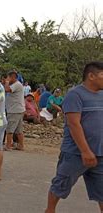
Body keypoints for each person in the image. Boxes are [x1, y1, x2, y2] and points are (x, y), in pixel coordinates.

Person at [45, 61, 103, 213]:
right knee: (61, 184)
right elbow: (73, 124)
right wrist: (85, 151)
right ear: (91, 76)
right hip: (76, 153)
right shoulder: (75, 95)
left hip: (100, 153)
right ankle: (50, 210)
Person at [4, 70, 25, 150]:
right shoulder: (17, 85)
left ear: (13, 77)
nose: (7, 78)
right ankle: (21, 145)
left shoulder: (16, 85)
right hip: (18, 109)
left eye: (9, 77)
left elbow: (7, 89)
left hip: (14, 110)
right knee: (19, 130)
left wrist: (7, 82)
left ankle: (8, 146)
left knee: (10, 129)